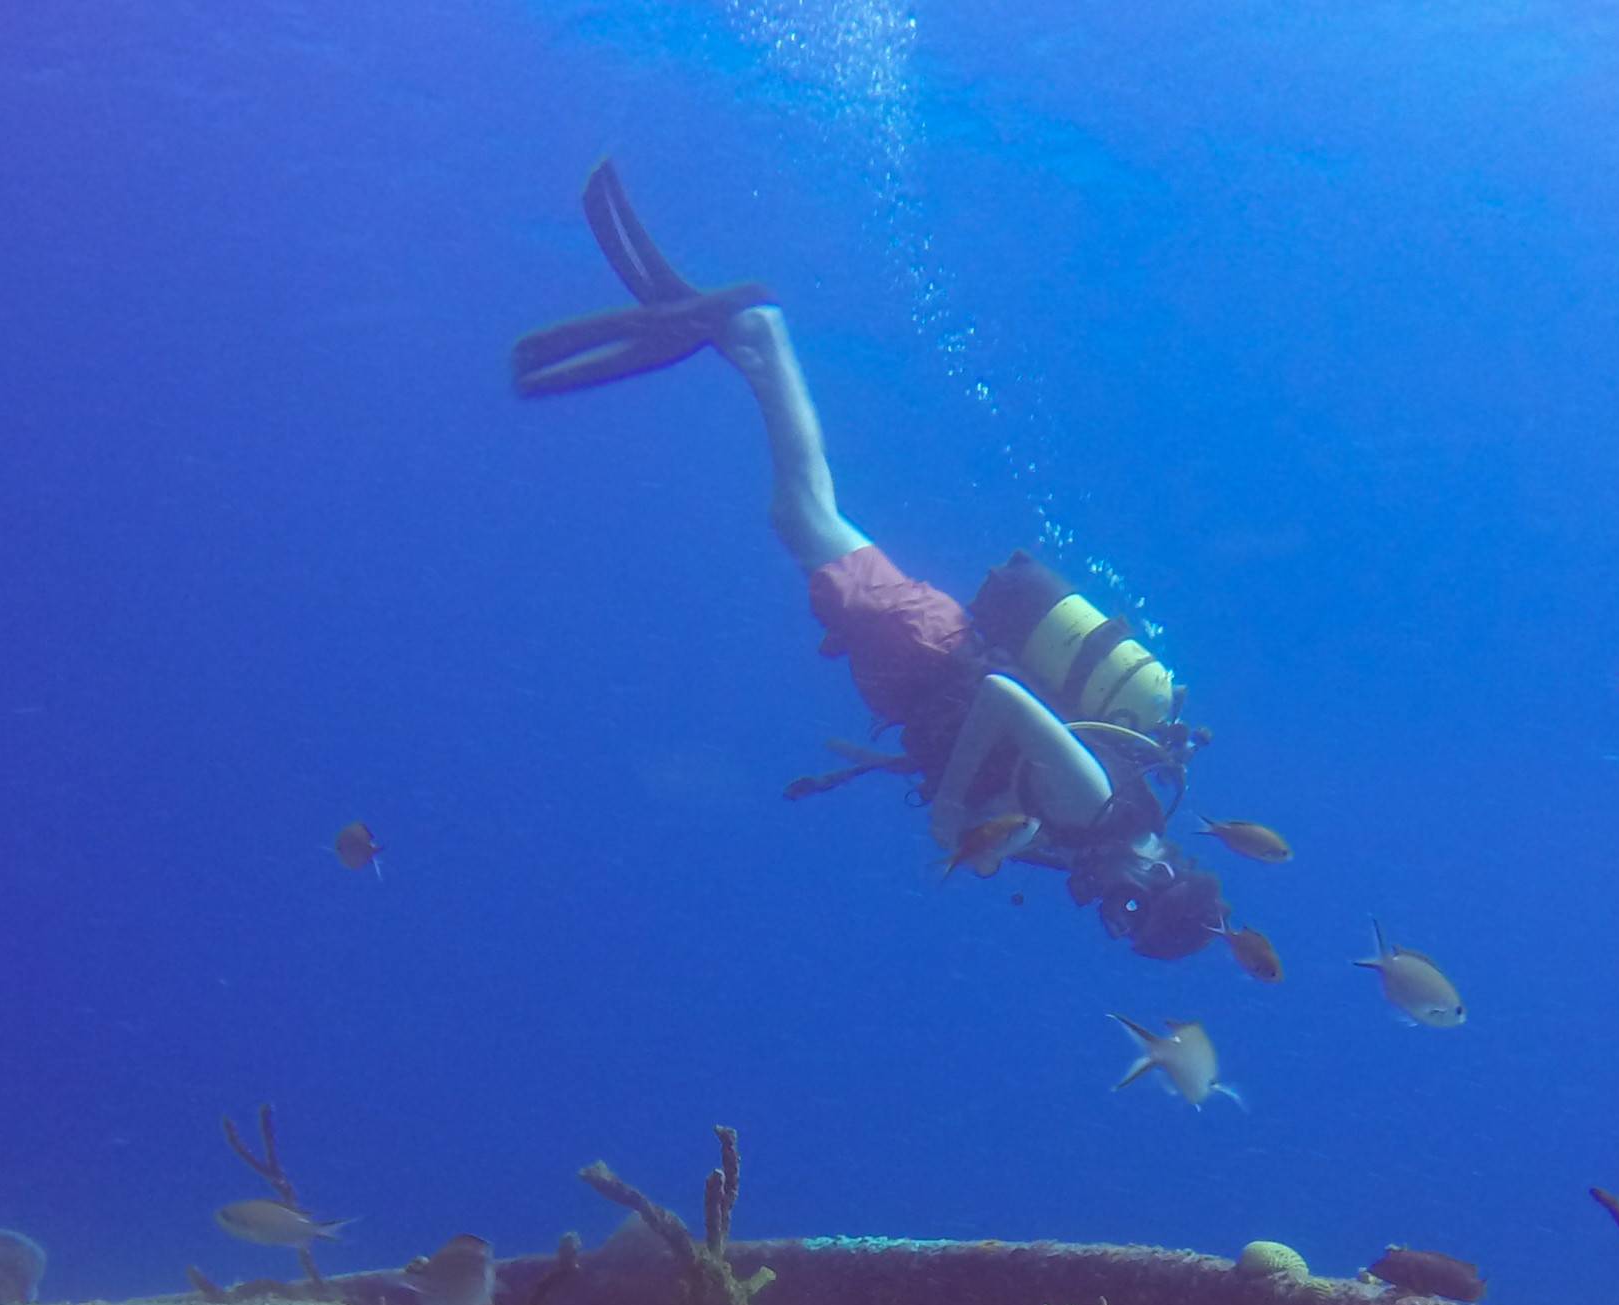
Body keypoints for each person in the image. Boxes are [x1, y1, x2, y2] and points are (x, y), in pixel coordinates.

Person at [511, 160, 1229, 963]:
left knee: (807, 519)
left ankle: (749, 351)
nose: (1115, 908)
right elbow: (1002, 696)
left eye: (1121, 924)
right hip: (930, 650)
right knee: (803, 517)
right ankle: (762, 337)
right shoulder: (1098, 803)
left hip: (915, 668)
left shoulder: (1091, 833)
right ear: (1163, 870)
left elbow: (1004, 771)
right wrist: (955, 804)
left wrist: (974, 824)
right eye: (1136, 906)